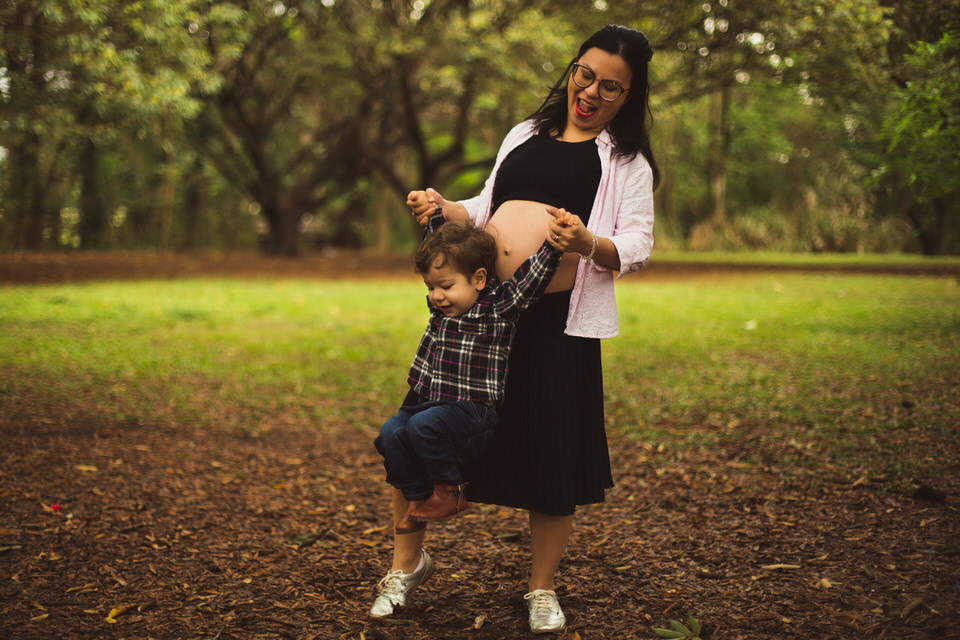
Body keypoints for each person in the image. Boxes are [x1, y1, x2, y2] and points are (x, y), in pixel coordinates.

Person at [374, 24, 659, 634]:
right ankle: (405, 565)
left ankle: (541, 588)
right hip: (478, 319)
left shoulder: (626, 160)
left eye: (611, 87)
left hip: (558, 325)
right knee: (416, 426)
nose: (591, 92)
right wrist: (444, 208)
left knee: (551, 456)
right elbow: (486, 205)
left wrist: (588, 242)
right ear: (573, 68)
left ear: (629, 95)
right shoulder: (525, 134)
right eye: (585, 75)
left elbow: (638, 243)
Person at [370, 208, 573, 617]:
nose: (436, 295)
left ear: (479, 280)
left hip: (472, 414)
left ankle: (450, 493)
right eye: (430, 287)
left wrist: (554, 243)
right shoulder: (440, 309)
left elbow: (531, 278)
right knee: (390, 433)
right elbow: (440, 251)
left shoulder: (498, 308)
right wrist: (433, 217)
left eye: (444, 286)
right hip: (431, 404)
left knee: (424, 426)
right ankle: (417, 501)